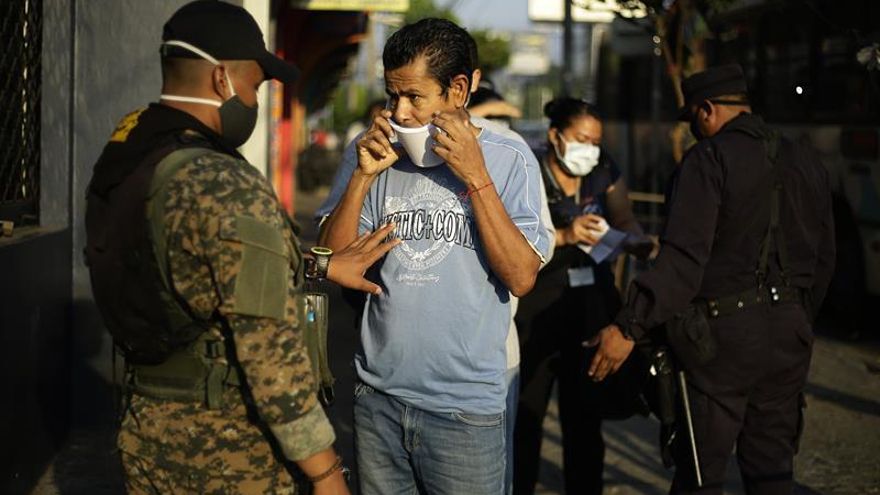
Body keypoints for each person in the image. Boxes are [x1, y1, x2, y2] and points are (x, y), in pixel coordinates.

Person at [84, 2, 399, 493]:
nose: (254, 102)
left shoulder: (130, 150)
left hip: (145, 430)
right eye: (254, 86)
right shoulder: (222, 181)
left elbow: (194, 268)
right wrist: (326, 471)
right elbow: (271, 355)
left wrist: (319, 265)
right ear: (221, 81)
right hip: (226, 449)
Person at [319, 18, 551, 494]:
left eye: (415, 97)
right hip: (379, 397)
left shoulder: (510, 157)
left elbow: (522, 276)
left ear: (459, 89)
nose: (400, 113)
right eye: (391, 95)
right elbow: (335, 260)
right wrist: (362, 177)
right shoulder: (369, 150)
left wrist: (475, 175)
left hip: (464, 409)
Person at [588, 64, 836, 494]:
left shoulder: (709, 159)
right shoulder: (805, 158)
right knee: (772, 470)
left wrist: (629, 325)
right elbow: (826, 257)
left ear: (706, 110)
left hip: (720, 342)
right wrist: (795, 317)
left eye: (693, 121)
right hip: (790, 336)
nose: (693, 132)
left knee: (702, 476)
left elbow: (683, 262)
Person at [512, 98, 652, 495]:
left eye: (595, 141)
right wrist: (566, 235)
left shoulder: (602, 167)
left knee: (585, 420)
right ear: (555, 136)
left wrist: (636, 242)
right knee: (526, 416)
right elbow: (511, 242)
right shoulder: (528, 170)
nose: (589, 149)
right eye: (581, 139)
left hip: (591, 307)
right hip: (536, 308)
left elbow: (624, 219)